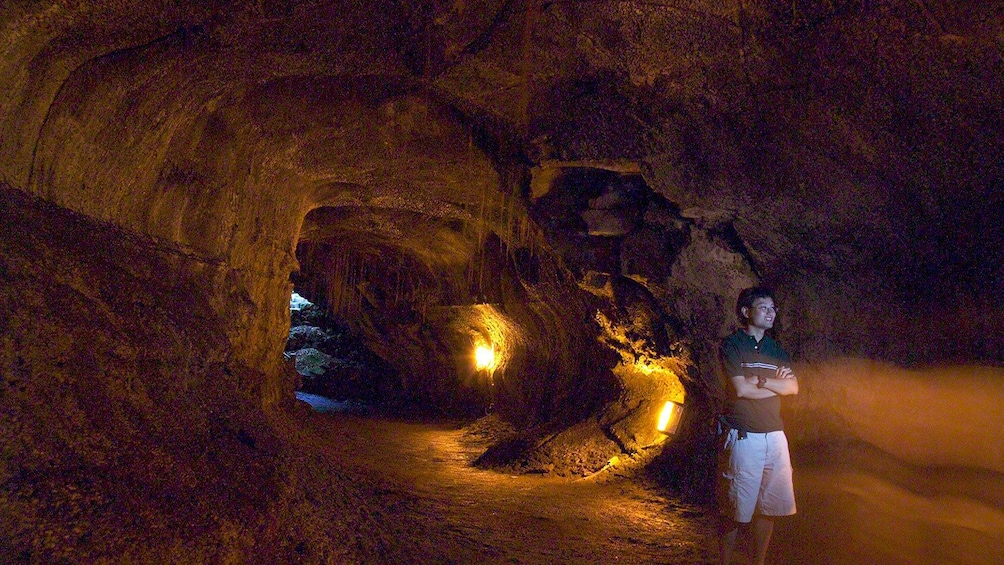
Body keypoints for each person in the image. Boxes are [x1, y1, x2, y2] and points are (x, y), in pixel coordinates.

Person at [716, 286, 798, 565]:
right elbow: (740, 389)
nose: (771, 313)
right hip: (744, 435)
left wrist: (759, 382)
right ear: (746, 312)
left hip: (775, 436)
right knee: (735, 510)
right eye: (764, 307)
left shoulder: (776, 349)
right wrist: (776, 385)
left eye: (773, 308)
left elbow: (793, 387)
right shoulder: (732, 345)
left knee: (769, 507)